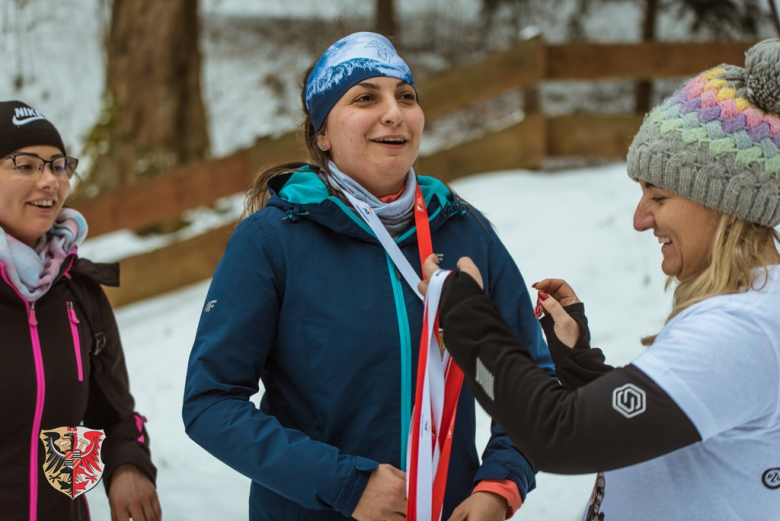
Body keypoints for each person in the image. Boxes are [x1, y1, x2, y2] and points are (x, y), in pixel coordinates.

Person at [182, 32, 554, 521]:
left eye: (406, 96)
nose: (394, 112)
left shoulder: (465, 230)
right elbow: (211, 403)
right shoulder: (272, 240)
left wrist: (499, 484)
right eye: (365, 98)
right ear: (323, 133)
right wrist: (345, 484)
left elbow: (529, 381)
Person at [420, 39, 780, 520]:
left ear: (722, 202)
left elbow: (559, 437)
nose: (639, 219)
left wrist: (465, 319)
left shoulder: (741, 330)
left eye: (658, 196)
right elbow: (679, 426)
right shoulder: (754, 309)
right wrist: (580, 366)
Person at [0, 101, 161, 521]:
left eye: (58, 165)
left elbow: (106, 416)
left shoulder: (78, 294)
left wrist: (126, 466)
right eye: (27, 166)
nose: (49, 181)